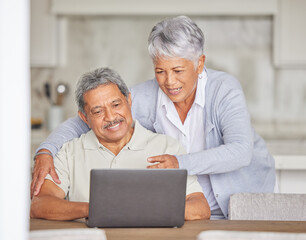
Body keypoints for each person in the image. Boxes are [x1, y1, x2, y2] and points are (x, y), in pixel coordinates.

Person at [31, 16, 275, 219]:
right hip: (182, 209)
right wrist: (46, 151)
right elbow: (86, 120)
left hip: (237, 200)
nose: (169, 82)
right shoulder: (145, 96)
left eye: (178, 70)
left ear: (199, 64)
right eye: (160, 71)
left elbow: (241, 151)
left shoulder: (223, 89)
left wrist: (179, 164)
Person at [30, 67, 210, 221]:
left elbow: (200, 207)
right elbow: (39, 205)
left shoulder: (167, 147)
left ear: (129, 101)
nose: (110, 117)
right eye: (98, 111)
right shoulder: (70, 151)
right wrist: (94, 209)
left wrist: (143, 211)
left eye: (116, 104)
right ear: (84, 117)